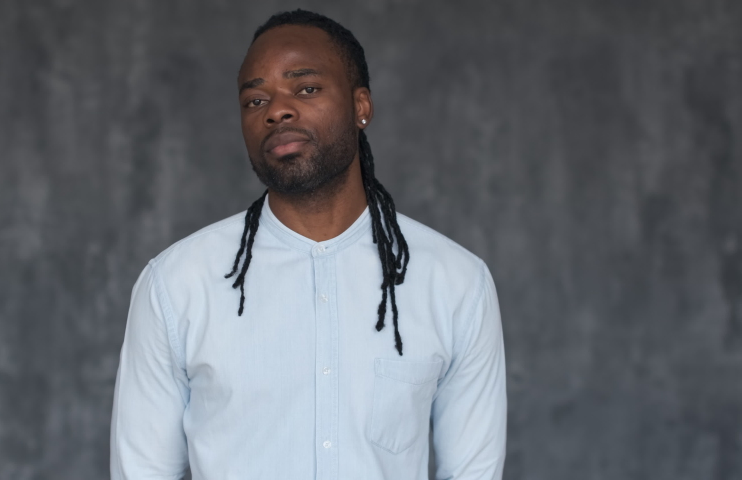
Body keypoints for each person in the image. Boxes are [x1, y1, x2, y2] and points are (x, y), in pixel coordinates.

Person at [110, 9, 507, 480]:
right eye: (255, 100)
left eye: (306, 88)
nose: (277, 109)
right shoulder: (176, 285)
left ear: (361, 106)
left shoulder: (455, 283)